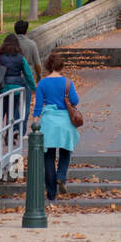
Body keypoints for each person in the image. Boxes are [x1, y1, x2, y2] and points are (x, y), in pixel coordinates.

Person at [33, 51, 80, 202]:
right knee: (66, 150)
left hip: (49, 122)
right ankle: (61, 176)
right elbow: (75, 100)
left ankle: (51, 193)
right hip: (65, 121)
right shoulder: (67, 82)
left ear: (48, 66)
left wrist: (35, 123)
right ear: (61, 66)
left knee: (48, 156)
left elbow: (38, 105)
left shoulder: (42, 83)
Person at [0, 33, 35, 137]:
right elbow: (28, 74)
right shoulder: (20, 58)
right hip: (15, 89)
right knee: (12, 111)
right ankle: (9, 133)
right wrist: (33, 87)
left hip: (0, 87)